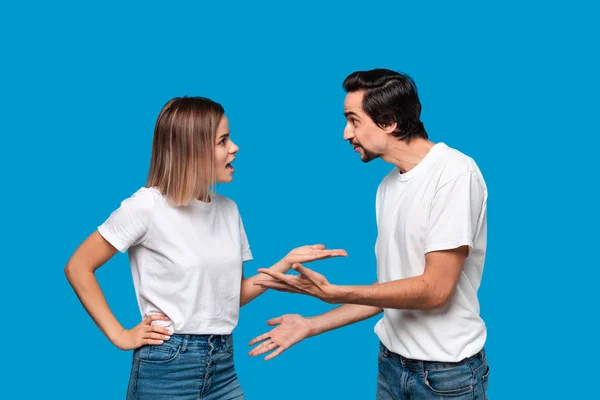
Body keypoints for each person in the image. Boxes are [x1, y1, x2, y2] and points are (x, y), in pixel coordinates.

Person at [64, 96, 347, 400]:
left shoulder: (229, 210)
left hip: (222, 362)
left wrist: (284, 264)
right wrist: (119, 335)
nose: (234, 147)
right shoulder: (147, 206)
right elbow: (78, 266)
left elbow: (228, 298)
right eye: (222, 141)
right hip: (168, 364)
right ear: (191, 149)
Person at [249, 69, 490, 399]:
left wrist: (336, 291)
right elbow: (388, 292)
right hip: (392, 365)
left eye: (353, 120)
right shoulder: (388, 186)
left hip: (445, 377)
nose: (346, 133)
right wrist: (311, 324)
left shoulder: (454, 175)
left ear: (389, 121)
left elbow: (434, 291)